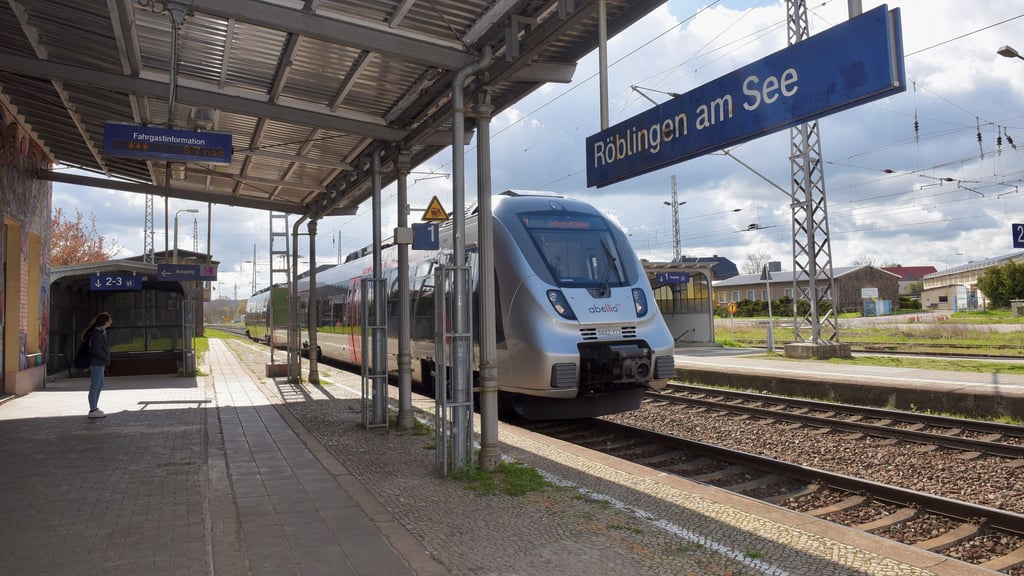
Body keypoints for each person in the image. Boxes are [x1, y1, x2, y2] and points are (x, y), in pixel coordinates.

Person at [81, 312, 112, 419]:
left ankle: (95, 408)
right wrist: (106, 358)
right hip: (97, 362)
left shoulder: (101, 332)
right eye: (109, 320)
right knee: (95, 386)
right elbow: (96, 350)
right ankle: (92, 409)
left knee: (100, 385)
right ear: (106, 322)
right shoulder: (97, 334)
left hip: (99, 362)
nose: (111, 322)